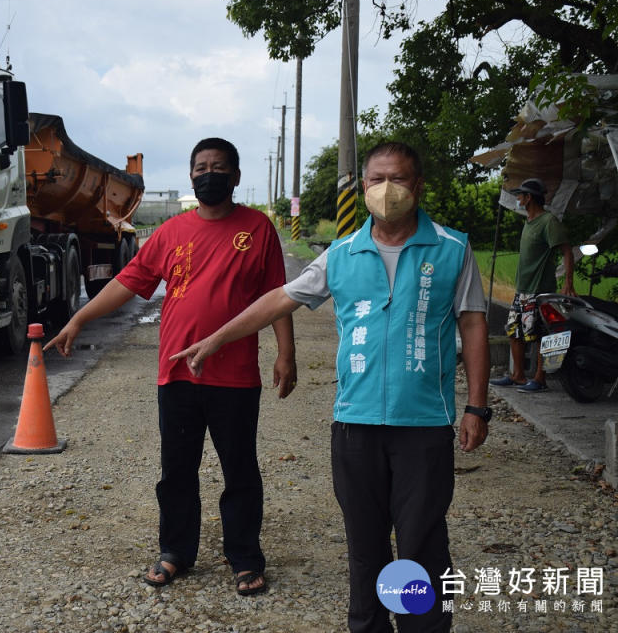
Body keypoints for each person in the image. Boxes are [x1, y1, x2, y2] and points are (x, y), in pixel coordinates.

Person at [171, 142, 490, 632]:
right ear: (363, 188)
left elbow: (472, 326)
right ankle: (368, 625)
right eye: (376, 180)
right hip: (355, 426)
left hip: (423, 425)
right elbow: (278, 300)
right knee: (364, 546)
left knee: (422, 544)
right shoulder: (342, 255)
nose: (387, 190)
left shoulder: (451, 249)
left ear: (418, 185)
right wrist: (214, 339)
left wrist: (477, 405)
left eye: (399, 179)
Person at [44, 137, 297, 596]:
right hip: (176, 375)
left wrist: (286, 353)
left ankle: (244, 557)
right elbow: (126, 283)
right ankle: (175, 551)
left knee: (240, 470)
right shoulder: (171, 233)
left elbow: (275, 296)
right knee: (177, 470)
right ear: (190, 176)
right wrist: (78, 318)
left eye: (218, 167)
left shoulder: (257, 228)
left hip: (235, 376)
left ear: (235, 177)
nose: (208, 174)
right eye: (200, 167)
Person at [489, 178, 575, 392]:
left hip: (539, 290)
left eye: (520, 195)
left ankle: (539, 379)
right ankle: (517, 376)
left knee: (537, 334)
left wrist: (568, 283)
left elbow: (566, 250)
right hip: (522, 290)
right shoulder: (529, 221)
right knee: (513, 330)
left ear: (529, 198)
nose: (517, 199)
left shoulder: (548, 222)